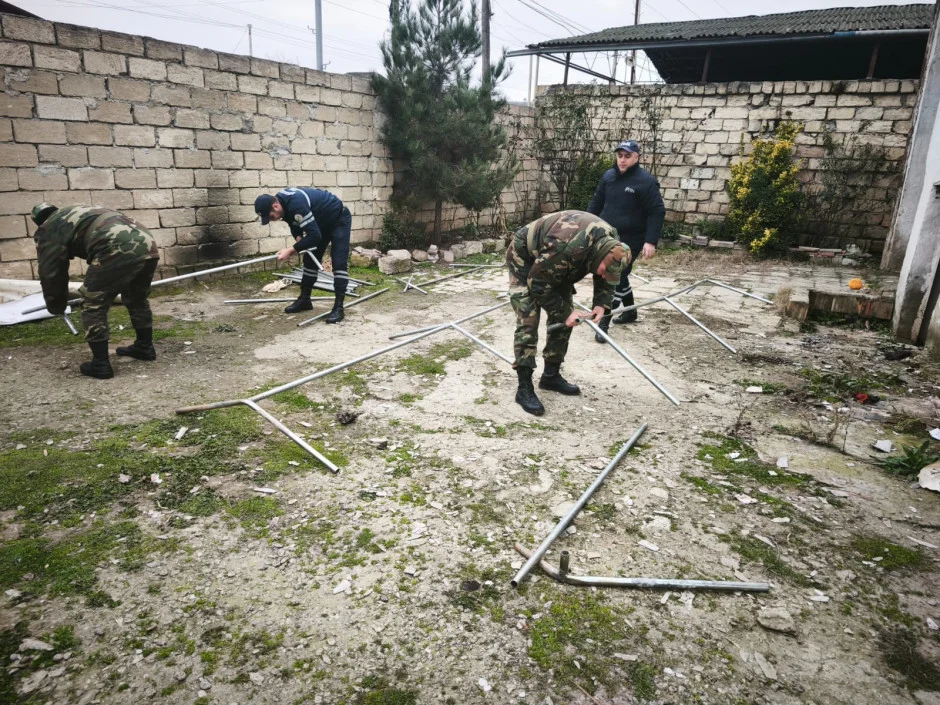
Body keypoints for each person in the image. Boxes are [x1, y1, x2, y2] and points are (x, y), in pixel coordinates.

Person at [506, 210, 629, 416]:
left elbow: (605, 273)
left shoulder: (611, 243)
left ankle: (551, 376)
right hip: (526, 260)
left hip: (557, 264)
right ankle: (524, 387)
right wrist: (564, 312)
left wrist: (601, 304)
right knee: (529, 319)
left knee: (566, 320)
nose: (603, 274)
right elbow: (537, 284)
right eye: (602, 270)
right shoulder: (566, 247)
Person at [31, 203, 160, 379]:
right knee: (136, 297)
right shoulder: (78, 210)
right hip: (147, 243)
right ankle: (144, 347)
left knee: (93, 302)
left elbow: (51, 272)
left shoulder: (50, 227)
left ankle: (100, 365)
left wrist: (56, 304)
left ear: (38, 221)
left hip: (115, 246)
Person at [587, 139, 665, 340]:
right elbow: (596, 202)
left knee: (616, 275)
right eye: (620, 155)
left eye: (627, 156)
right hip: (607, 234)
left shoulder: (645, 181)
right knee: (615, 273)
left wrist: (651, 241)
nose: (622, 160)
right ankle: (630, 311)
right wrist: (585, 226)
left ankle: (603, 322)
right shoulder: (609, 176)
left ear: (636, 157)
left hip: (632, 237)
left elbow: (656, 211)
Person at [254, 187, 352, 323]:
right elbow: (293, 222)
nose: (272, 220)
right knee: (310, 260)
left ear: (275, 206)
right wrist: (299, 238)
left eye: (271, 216)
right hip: (319, 223)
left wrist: (291, 250)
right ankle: (305, 300)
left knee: (339, 261)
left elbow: (314, 236)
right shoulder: (282, 203)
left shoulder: (296, 204)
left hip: (338, 219)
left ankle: (339, 307)